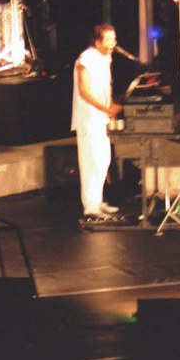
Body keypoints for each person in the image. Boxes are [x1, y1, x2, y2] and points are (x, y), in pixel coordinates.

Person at [72, 24, 123, 218]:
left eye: (114, 39)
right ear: (97, 41)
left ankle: (98, 201)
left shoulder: (105, 59)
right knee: (91, 161)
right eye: (109, 39)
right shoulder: (86, 59)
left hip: (99, 117)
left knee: (103, 160)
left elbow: (102, 89)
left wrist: (109, 107)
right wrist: (106, 108)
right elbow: (84, 91)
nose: (113, 43)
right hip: (88, 118)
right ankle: (90, 207)